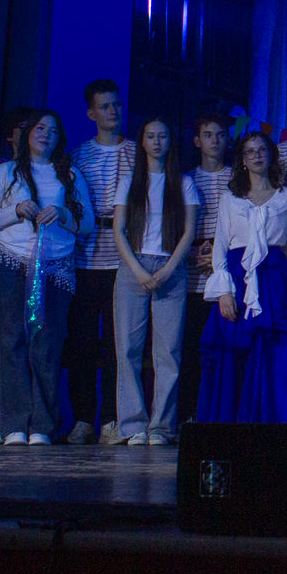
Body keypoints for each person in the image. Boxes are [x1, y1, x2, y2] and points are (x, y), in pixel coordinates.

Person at [0, 110, 95, 445]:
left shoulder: (70, 174)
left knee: (47, 342)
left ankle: (41, 424)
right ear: (26, 133)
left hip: (54, 265)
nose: (46, 135)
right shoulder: (6, 171)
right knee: (10, 339)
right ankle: (13, 423)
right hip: (11, 261)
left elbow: (87, 225)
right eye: (40, 128)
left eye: (53, 131)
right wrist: (15, 210)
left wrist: (64, 213)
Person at [197, 132, 287, 424]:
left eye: (262, 150)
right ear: (242, 160)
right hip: (237, 278)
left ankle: (270, 418)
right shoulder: (231, 199)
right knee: (234, 349)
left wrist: (277, 262)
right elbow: (220, 246)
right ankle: (231, 419)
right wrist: (224, 291)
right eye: (250, 151)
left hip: (273, 279)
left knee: (272, 347)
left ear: (271, 155)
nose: (256, 156)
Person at [111, 117, 200, 447]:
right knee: (128, 349)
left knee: (168, 351)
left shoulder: (184, 182)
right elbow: (118, 230)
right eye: (151, 136)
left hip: (170, 268)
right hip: (133, 266)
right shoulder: (129, 181)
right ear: (142, 141)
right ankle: (132, 424)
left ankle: (161, 426)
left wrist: (168, 269)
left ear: (170, 142)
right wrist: (137, 270)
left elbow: (189, 231)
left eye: (162, 136)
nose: (157, 142)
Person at [68, 79, 132, 445]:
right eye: (105, 106)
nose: (112, 111)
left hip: (122, 260)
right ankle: (82, 418)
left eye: (116, 104)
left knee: (116, 343)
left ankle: (111, 417)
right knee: (82, 342)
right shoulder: (78, 155)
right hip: (84, 258)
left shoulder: (137, 152)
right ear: (91, 113)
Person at [182, 114, 232, 424]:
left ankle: (217, 415)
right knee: (190, 348)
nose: (214, 140)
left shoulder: (236, 178)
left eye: (220, 134)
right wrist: (189, 252)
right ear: (197, 140)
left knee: (220, 350)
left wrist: (217, 255)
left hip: (224, 271)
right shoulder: (186, 179)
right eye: (208, 134)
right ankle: (188, 414)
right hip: (190, 273)